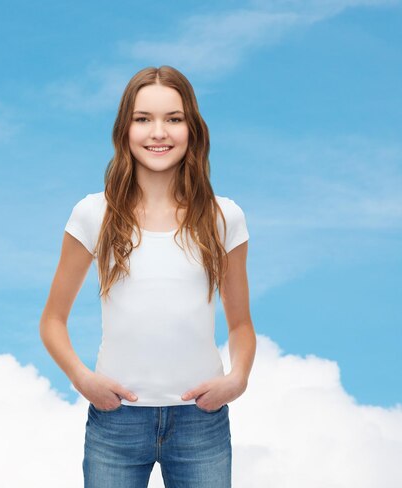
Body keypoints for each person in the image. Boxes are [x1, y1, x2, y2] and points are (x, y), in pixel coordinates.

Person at [40, 65, 256, 488]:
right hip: (115, 422)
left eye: (173, 119)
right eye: (144, 119)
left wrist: (238, 379)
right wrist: (83, 379)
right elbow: (52, 320)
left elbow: (241, 324)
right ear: (125, 130)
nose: (159, 132)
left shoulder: (223, 217)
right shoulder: (93, 214)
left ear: (192, 128)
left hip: (202, 423)